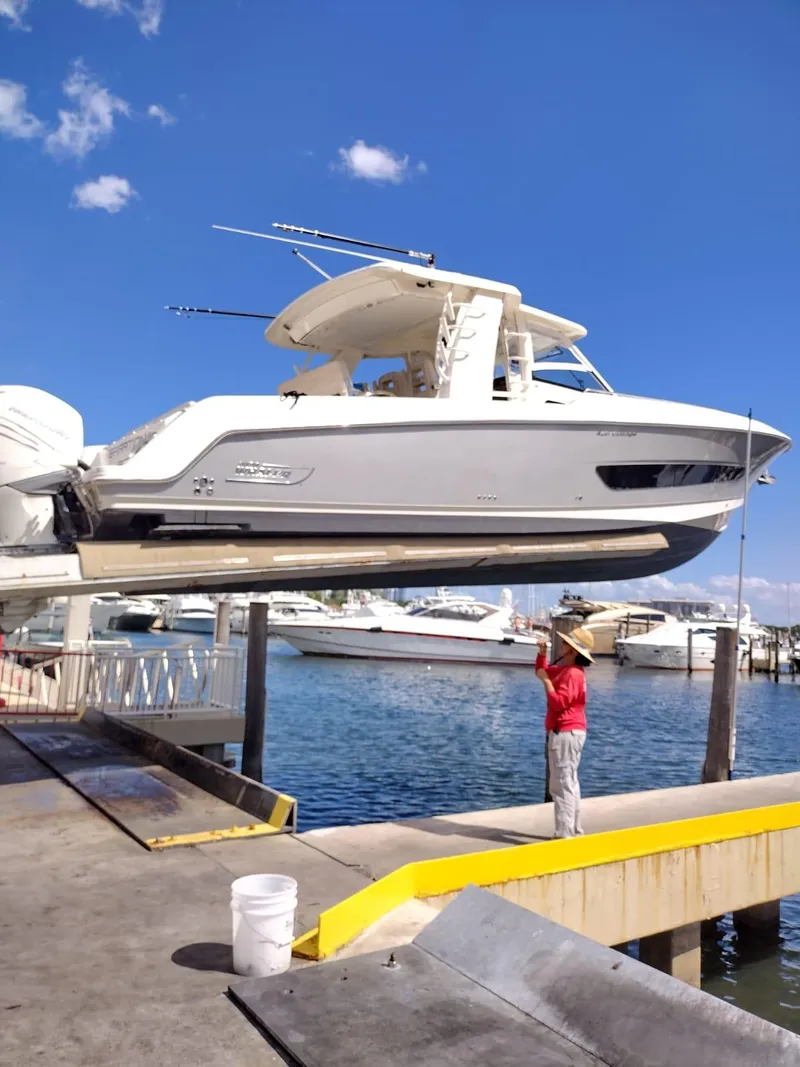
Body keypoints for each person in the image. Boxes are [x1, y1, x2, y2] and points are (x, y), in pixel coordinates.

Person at [535, 627, 595, 839]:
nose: (561, 646)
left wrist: (547, 683)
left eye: (565, 643)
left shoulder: (572, 674)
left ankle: (564, 834)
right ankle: (573, 829)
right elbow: (541, 671)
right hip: (570, 732)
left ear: (572, 650)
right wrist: (542, 654)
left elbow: (558, 703)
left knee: (561, 785)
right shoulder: (568, 670)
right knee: (569, 782)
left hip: (566, 732)